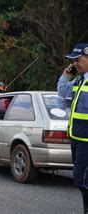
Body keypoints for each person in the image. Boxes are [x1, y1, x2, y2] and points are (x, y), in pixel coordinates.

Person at [57, 43, 88, 213]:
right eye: (73, 60)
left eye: (78, 59)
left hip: (86, 140)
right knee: (83, 180)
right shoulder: (79, 80)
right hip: (76, 138)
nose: (75, 63)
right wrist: (65, 76)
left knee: (80, 180)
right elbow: (62, 98)